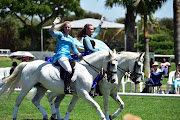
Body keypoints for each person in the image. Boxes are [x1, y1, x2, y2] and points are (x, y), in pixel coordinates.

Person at [49, 17, 82, 94]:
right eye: (66, 27)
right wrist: (53, 24)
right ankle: (66, 88)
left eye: (68, 27)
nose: (67, 28)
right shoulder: (60, 35)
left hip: (68, 56)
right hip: (60, 55)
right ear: (63, 28)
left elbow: (73, 48)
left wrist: (78, 53)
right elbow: (51, 32)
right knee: (69, 70)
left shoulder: (71, 38)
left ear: (70, 28)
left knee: (76, 67)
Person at [77, 16, 105, 97]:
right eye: (90, 29)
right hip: (88, 56)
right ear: (86, 30)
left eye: (92, 29)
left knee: (101, 71)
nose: (92, 30)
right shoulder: (86, 38)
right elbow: (90, 49)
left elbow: (96, 32)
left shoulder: (91, 37)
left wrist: (100, 24)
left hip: (92, 55)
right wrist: (100, 52)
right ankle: (92, 88)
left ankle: (97, 88)